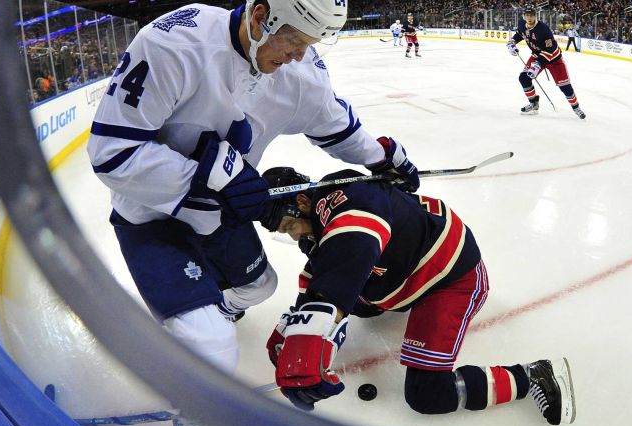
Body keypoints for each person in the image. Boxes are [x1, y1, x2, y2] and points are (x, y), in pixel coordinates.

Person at [86, 0, 420, 373]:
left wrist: (385, 159)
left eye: (309, 45)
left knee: (260, 286)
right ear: (261, 16)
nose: (298, 56)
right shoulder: (174, 43)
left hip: (220, 213)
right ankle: (193, 338)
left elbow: (337, 125)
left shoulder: (301, 74)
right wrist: (219, 175)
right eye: (293, 41)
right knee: (212, 345)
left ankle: (199, 311)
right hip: (151, 213)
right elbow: (112, 153)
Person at [262, 166, 576, 425]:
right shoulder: (325, 215)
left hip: (448, 281)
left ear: (303, 202)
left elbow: (352, 241)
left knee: (428, 395)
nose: (294, 235)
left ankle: (532, 375)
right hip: (402, 274)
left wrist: (311, 331)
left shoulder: (346, 198)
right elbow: (323, 270)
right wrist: (299, 321)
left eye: (290, 225)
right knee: (341, 290)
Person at [506, 8, 586, 119]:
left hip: (553, 59)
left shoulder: (543, 29)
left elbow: (551, 49)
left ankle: (576, 107)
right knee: (524, 78)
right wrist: (512, 42)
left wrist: (537, 64)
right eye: (527, 15)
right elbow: (521, 34)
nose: (529, 18)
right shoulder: (522, 23)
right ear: (524, 16)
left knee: (565, 86)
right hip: (537, 55)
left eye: (532, 15)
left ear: (535, 16)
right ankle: (534, 103)